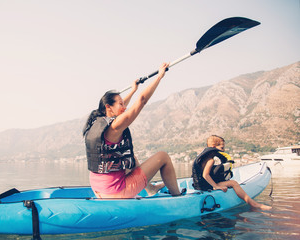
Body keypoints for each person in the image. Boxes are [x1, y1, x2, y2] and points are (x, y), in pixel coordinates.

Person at [83, 62, 181, 198]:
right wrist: (159, 76)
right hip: (115, 191)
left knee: (131, 157)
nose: (124, 106)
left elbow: (121, 108)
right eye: (120, 103)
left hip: (99, 188)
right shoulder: (115, 126)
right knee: (163, 156)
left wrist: (133, 90)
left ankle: (150, 188)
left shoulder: (97, 122)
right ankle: (178, 197)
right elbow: (142, 100)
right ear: (108, 107)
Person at [192, 135, 272, 210]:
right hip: (205, 186)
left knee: (228, 182)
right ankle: (253, 204)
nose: (223, 150)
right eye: (222, 147)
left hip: (199, 185)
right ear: (213, 147)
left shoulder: (205, 157)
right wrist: (216, 186)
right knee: (234, 183)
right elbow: (205, 175)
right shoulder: (210, 160)